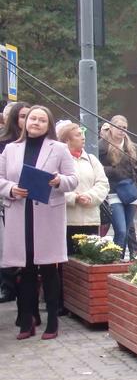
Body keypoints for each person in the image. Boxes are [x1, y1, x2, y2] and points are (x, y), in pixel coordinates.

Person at [0, 105, 78, 340]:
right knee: (25, 270)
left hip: (47, 215)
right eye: (33, 118)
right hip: (19, 214)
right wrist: (11, 189)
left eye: (42, 120)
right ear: (25, 122)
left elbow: (73, 180)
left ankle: (52, 323)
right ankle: (27, 322)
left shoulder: (59, 148)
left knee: (49, 269)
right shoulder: (11, 149)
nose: (36, 123)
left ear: (48, 125)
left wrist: (58, 181)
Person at [99, 115, 137, 258]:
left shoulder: (133, 148)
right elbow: (97, 169)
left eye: (124, 128)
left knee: (126, 231)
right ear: (111, 127)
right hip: (113, 192)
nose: (121, 130)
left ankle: (119, 258)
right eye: (118, 127)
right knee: (120, 230)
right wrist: (114, 171)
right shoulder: (102, 146)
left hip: (130, 192)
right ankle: (115, 259)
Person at [59, 123, 110, 248]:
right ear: (67, 140)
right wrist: (73, 197)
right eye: (78, 135)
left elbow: (103, 184)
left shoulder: (92, 159)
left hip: (91, 219)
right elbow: (54, 187)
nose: (83, 137)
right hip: (67, 220)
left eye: (83, 134)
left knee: (89, 256)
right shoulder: (58, 160)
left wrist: (89, 196)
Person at [0, 102, 30, 305]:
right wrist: (10, 189)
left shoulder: (41, 143)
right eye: (22, 116)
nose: (27, 121)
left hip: (35, 202)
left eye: (29, 116)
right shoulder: (5, 144)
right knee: (8, 246)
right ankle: (7, 285)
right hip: (10, 200)